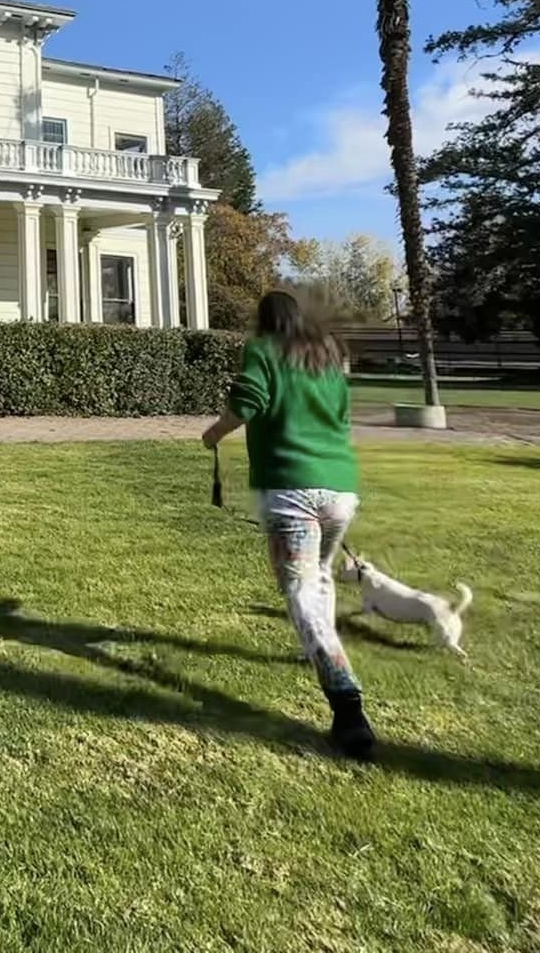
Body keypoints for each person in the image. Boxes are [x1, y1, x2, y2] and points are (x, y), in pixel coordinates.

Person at [201, 290, 373, 760]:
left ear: (264, 321)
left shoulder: (262, 349)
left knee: (300, 593)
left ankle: (347, 703)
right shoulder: (326, 357)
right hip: (340, 490)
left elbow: (249, 402)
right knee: (318, 575)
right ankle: (316, 646)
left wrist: (213, 433)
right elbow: (341, 419)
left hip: (289, 491)